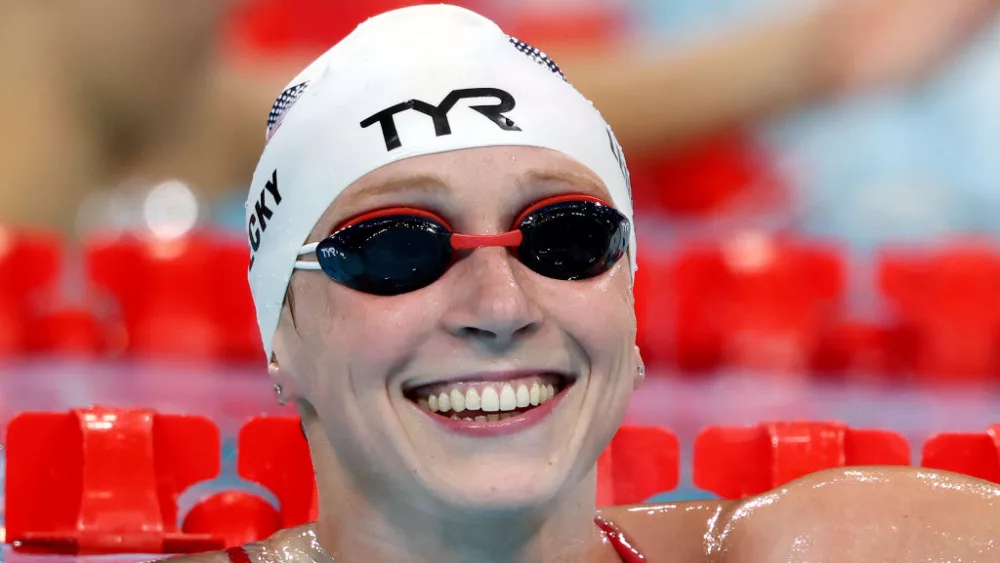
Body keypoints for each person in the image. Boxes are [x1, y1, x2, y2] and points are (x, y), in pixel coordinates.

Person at [161, 6, 1000, 562]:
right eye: (394, 250)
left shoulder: (834, 547)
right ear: (280, 335)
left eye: (565, 238)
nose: (499, 306)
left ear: (629, 309)